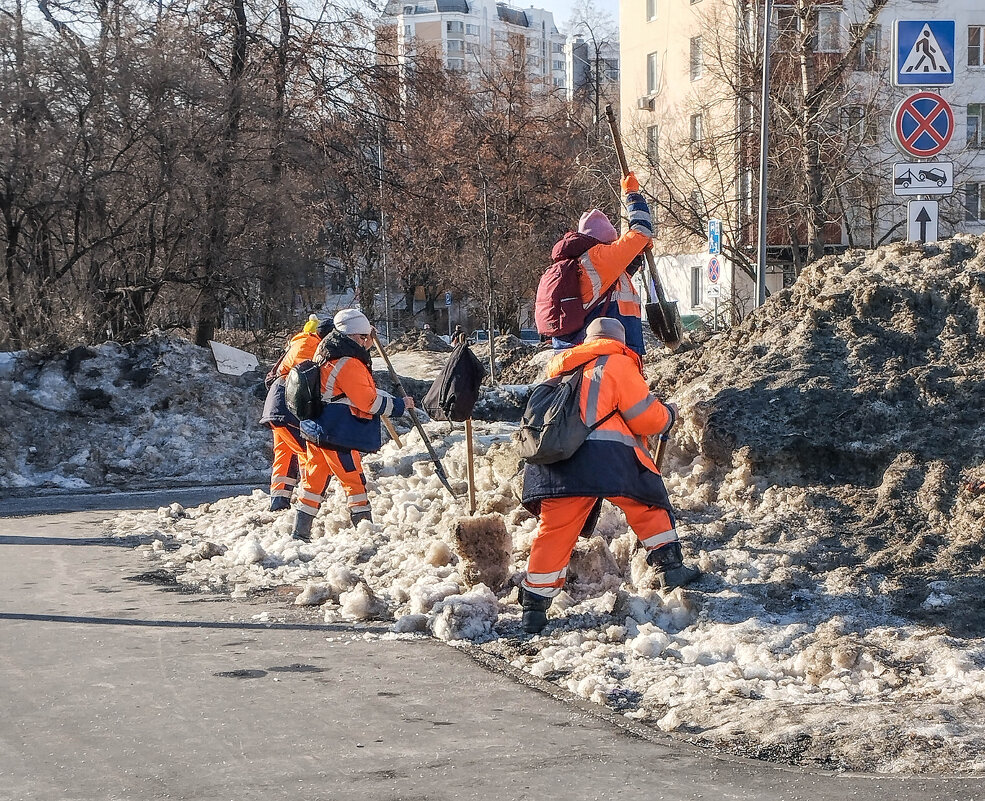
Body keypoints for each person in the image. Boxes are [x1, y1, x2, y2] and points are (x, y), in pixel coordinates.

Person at [516, 316, 700, 635]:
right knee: (646, 502)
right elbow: (645, 417)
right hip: (605, 458)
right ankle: (671, 569)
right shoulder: (616, 363)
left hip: (556, 461)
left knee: (555, 530)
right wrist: (668, 415)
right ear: (619, 341)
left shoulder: (561, 368)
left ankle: (534, 607)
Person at [290, 308, 414, 542]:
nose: (366, 342)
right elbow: (368, 401)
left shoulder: (329, 352)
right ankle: (365, 530)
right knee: (354, 480)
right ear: (354, 336)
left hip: (318, 429)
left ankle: (300, 532)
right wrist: (399, 405)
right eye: (363, 337)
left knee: (313, 483)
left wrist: (365, 341)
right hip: (337, 433)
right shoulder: (348, 364)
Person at [551, 172, 653, 357]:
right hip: (609, 350)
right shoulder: (599, 257)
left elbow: (612, 286)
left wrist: (635, 251)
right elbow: (642, 230)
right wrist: (632, 194)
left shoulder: (584, 262)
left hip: (597, 347)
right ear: (604, 240)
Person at [259, 314, 333, 512]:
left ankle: (278, 502)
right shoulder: (311, 346)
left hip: (277, 407)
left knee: (285, 453)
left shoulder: (299, 342)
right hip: (290, 407)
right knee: (308, 451)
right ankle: (310, 499)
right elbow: (309, 380)